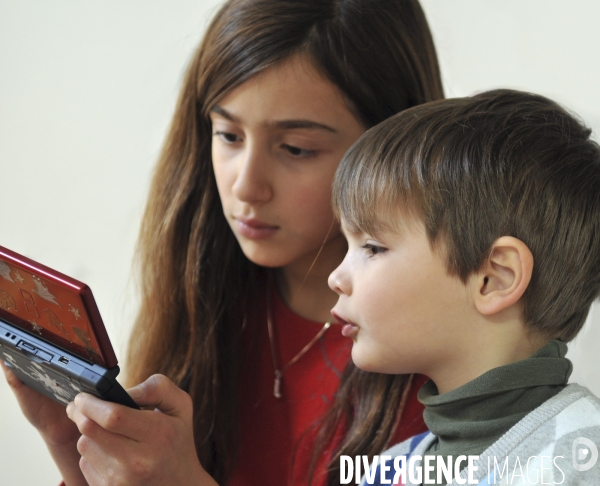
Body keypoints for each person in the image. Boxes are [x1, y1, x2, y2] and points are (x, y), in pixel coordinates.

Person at [1, 0, 444, 485]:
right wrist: (76, 450)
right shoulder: (209, 299)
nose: (246, 186)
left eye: (296, 148)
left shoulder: (445, 350)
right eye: (229, 135)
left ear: (391, 145)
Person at [328, 89, 600, 485]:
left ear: (494, 278)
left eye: (372, 247)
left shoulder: (583, 459)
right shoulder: (386, 472)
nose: (336, 278)